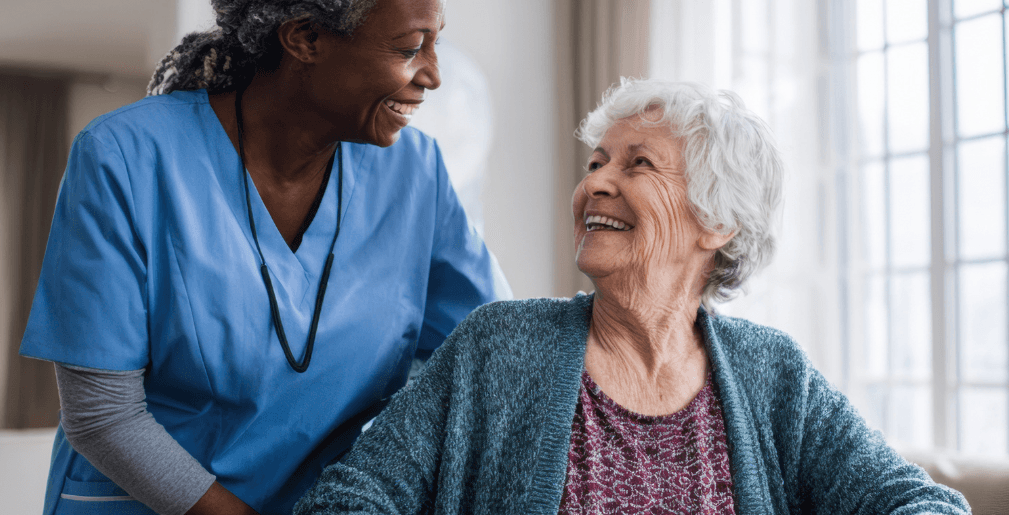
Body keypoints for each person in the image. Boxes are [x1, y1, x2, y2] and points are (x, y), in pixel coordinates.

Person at [18, 0, 510, 514]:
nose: (433, 75)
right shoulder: (127, 157)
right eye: (410, 47)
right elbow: (102, 416)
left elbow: (493, 357)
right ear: (305, 38)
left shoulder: (415, 174)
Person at [294, 79, 969, 514]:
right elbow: (350, 499)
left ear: (717, 221)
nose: (594, 184)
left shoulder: (774, 375)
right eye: (596, 163)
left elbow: (921, 505)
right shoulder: (498, 346)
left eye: (637, 163)